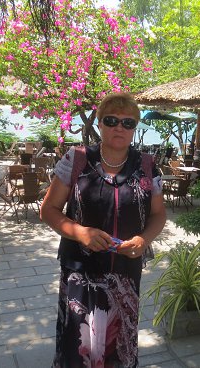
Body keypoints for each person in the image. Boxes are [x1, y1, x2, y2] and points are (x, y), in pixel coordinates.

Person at [40, 92, 167, 367]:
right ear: (99, 124)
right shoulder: (77, 159)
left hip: (125, 275)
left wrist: (144, 239)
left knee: (118, 347)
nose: (119, 127)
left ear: (134, 128)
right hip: (80, 274)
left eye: (128, 122)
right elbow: (48, 210)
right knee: (78, 346)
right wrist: (80, 232)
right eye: (111, 120)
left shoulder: (147, 166)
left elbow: (159, 214)